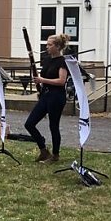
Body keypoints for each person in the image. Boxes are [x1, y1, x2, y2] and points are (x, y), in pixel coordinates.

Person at [24, 33, 69, 164]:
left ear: (58, 46)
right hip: (46, 95)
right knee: (29, 124)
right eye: (47, 44)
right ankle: (43, 149)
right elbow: (44, 77)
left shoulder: (63, 61)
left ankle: (55, 155)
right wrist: (40, 83)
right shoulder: (48, 60)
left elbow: (61, 81)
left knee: (53, 126)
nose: (47, 47)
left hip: (57, 97)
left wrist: (43, 80)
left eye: (50, 45)